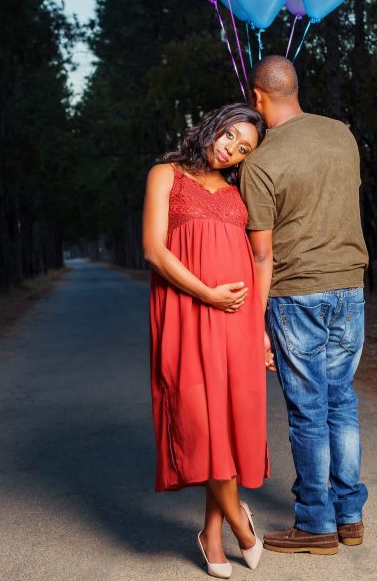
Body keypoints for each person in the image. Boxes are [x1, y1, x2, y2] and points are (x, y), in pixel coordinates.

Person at [240, 55, 369, 556]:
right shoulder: (342, 135)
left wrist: (256, 328)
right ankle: (350, 516)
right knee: (342, 401)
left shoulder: (260, 163)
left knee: (309, 411)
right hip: (350, 288)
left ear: (258, 97)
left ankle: (316, 523)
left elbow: (262, 253)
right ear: (296, 87)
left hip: (297, 295)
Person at [143, 103, 272, 579]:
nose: (231, 150)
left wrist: (257, 328)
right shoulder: (166, 174)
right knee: (198, 419)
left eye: (242, 150)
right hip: (185, 311)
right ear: (215, 124)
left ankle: (211, 534)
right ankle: (242, 524)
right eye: (230, 136)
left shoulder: (238, 192)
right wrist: (207, 294)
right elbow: (153, 248)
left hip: (236, 324)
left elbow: (259, 258)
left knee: (227, 423)